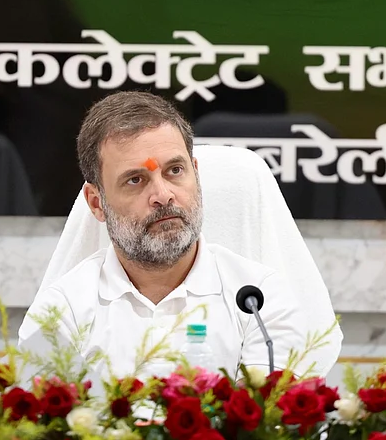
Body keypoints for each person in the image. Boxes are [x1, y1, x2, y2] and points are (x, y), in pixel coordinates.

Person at [19, 91, 313, 380]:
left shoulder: (258, 301)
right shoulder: (62, 312)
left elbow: (266, 422)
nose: (163, 195)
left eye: (174, 170)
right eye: (135, 180)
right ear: (97, 203)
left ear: (196, 175)